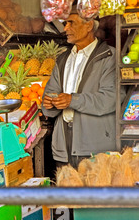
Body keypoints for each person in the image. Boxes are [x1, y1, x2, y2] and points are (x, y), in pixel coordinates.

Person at [42, 9, 124, 169]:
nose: (65, 28)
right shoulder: (62, 59)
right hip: (63, 149)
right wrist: (50, 103)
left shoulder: (109, 57)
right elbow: (48, 98)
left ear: (88, 26)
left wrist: (72, 100)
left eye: (71, 23)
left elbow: (111, 98)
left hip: (95, 148)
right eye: (65, 24)